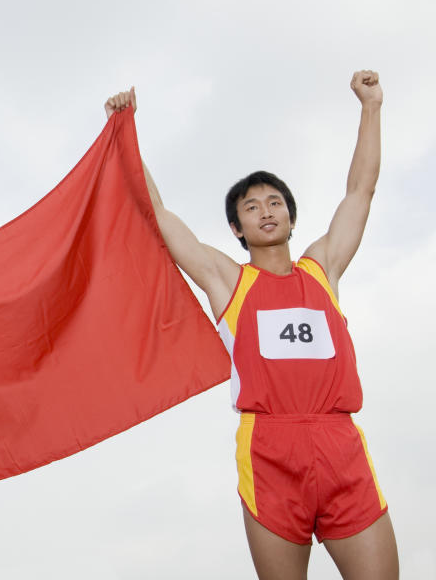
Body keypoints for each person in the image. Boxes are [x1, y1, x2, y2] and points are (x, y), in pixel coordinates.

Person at [105, 71, 398, 579]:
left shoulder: (322, 268)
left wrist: (370, 107)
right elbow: (159, 215)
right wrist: (123, 131)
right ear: (237, 229)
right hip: (269, 448)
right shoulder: (228, 281)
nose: (266, 210)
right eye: (251, 206)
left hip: (340, 444)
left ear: (291, 217)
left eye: (275, 203)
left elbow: (360, 190)